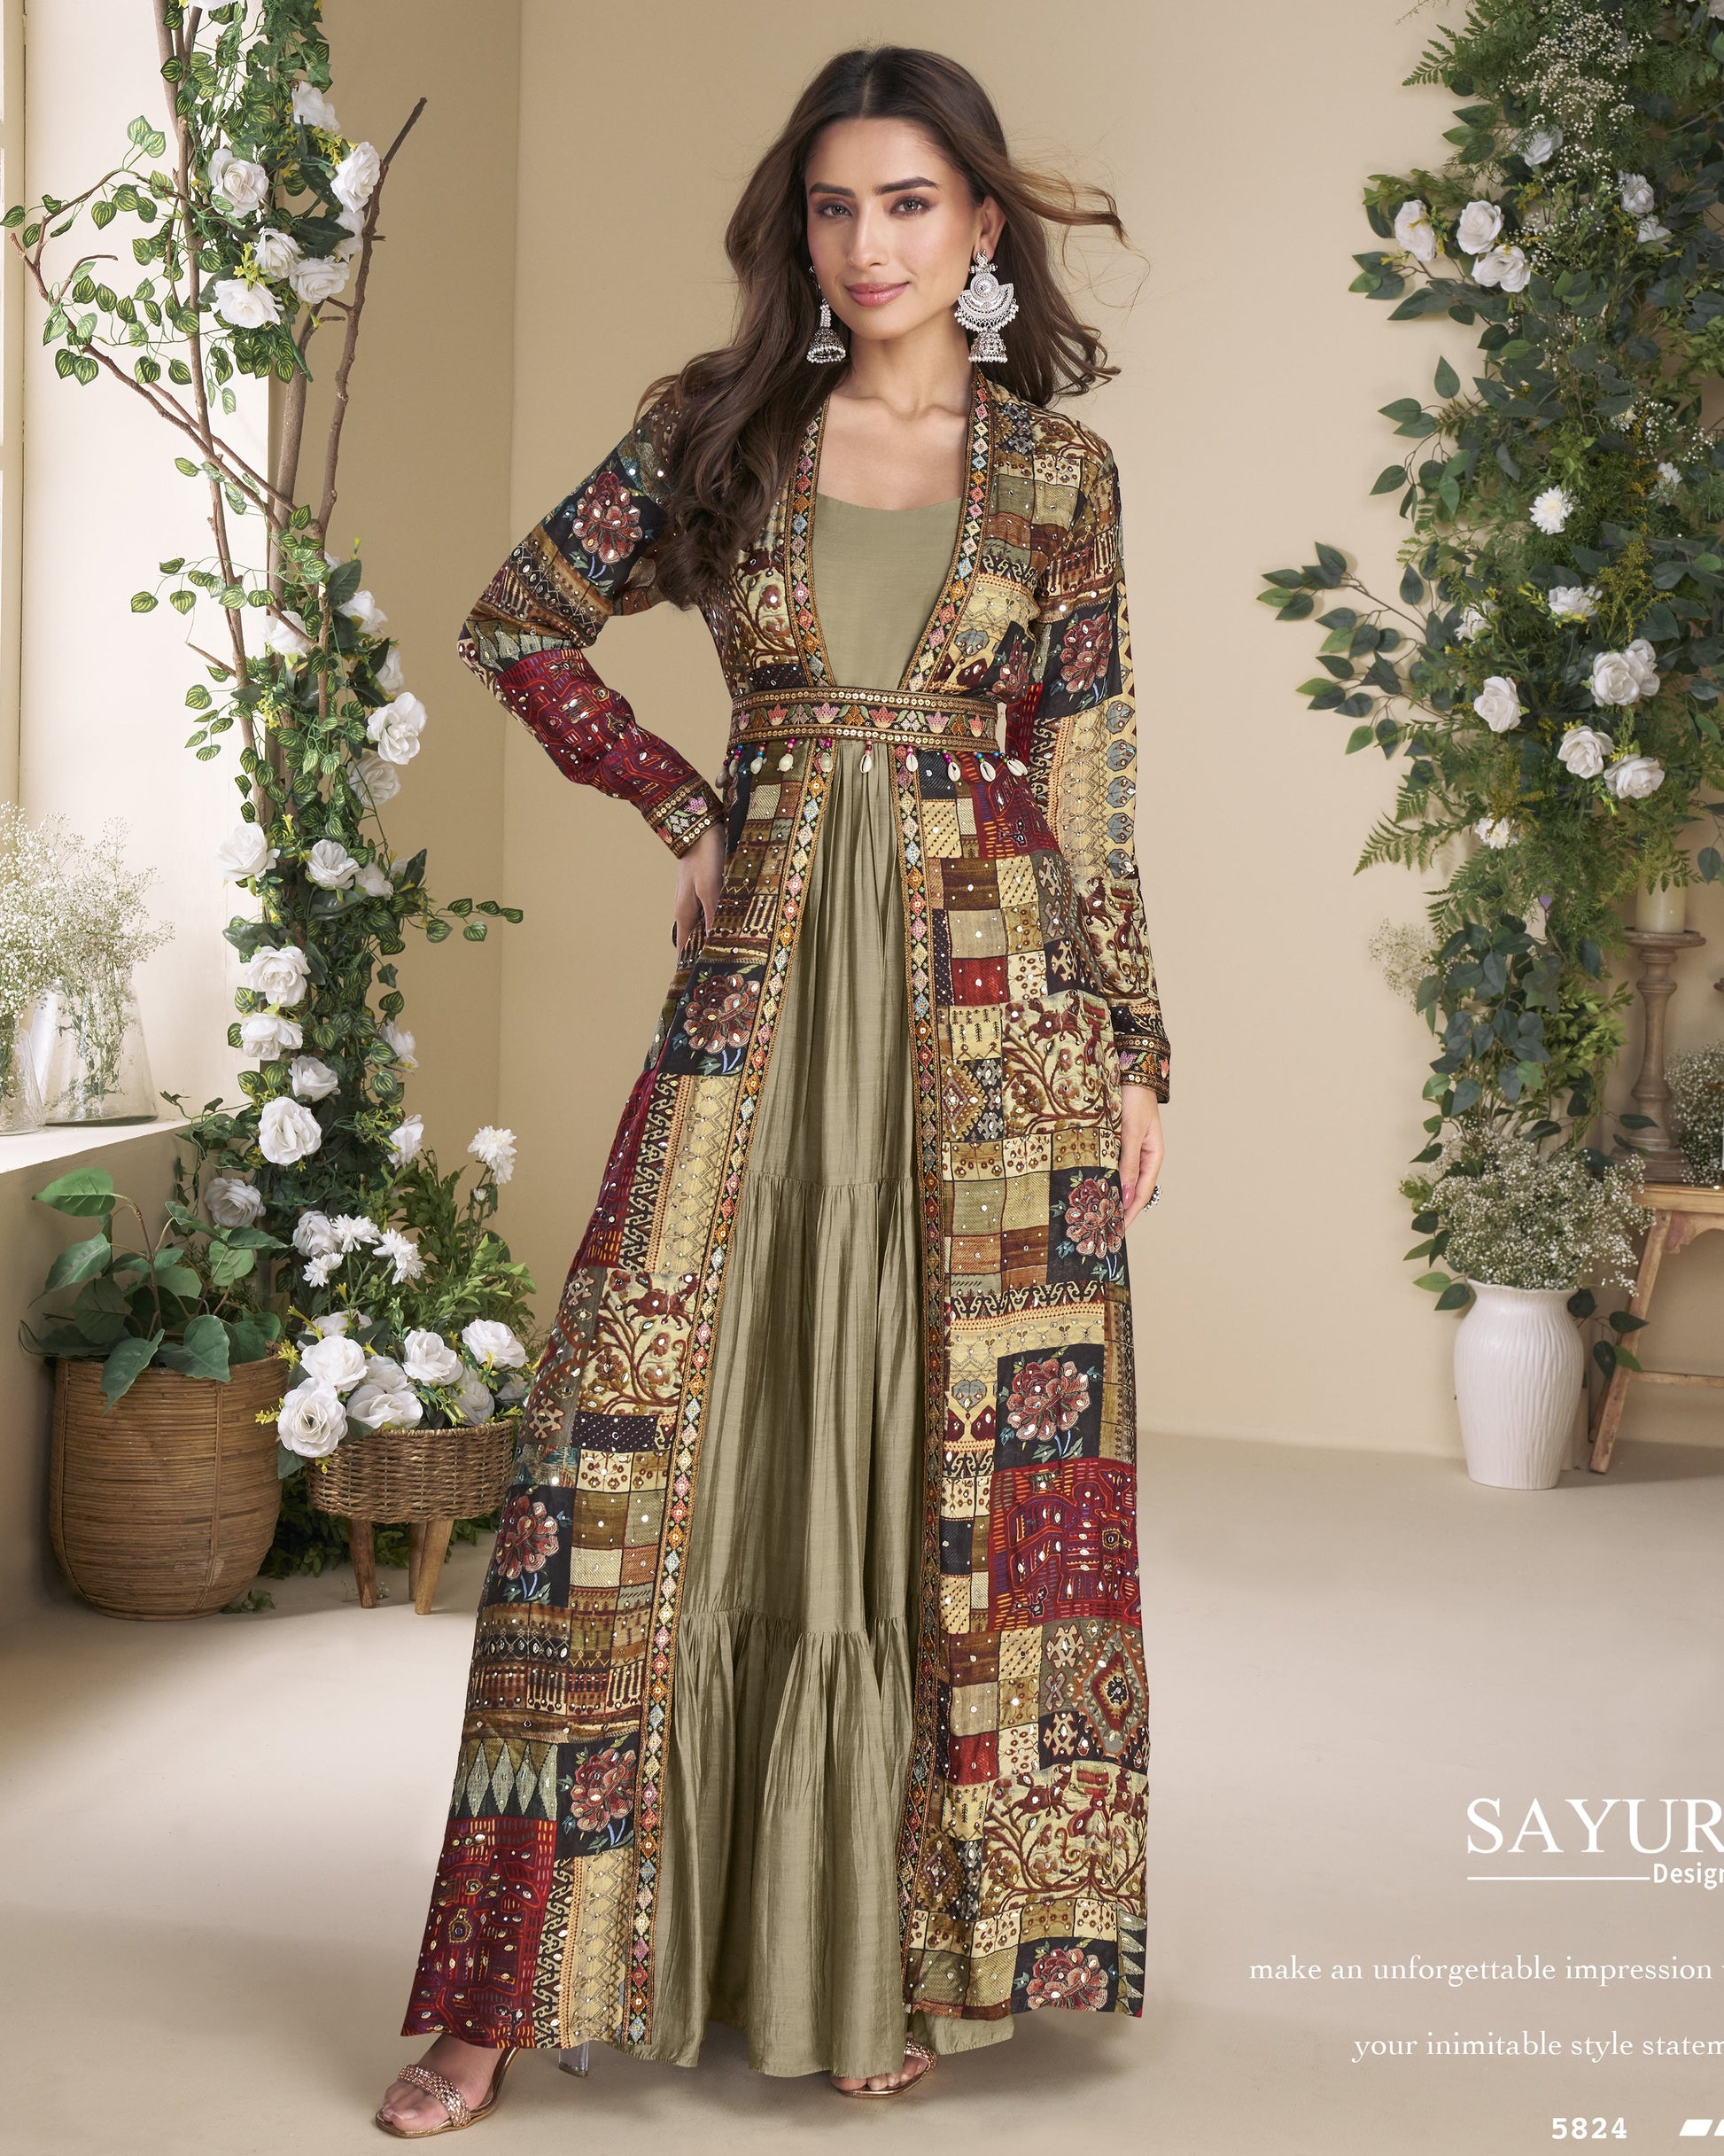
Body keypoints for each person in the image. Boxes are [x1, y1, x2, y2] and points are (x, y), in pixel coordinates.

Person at [375, 42, 1169, 2136]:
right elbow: (521, 619)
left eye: (909, 203)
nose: (869, 242)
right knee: (622, 1450)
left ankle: (897, 1945)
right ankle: (504, 1987)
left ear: (981, 227)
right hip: (761, 988)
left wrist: (1137, 1050)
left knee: (962, 1466)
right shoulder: (713, 434)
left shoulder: (1059, 479)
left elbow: (1088, 787)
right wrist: (675, 798)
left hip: (995, 1013)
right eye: (833, 207)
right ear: (797, 234)